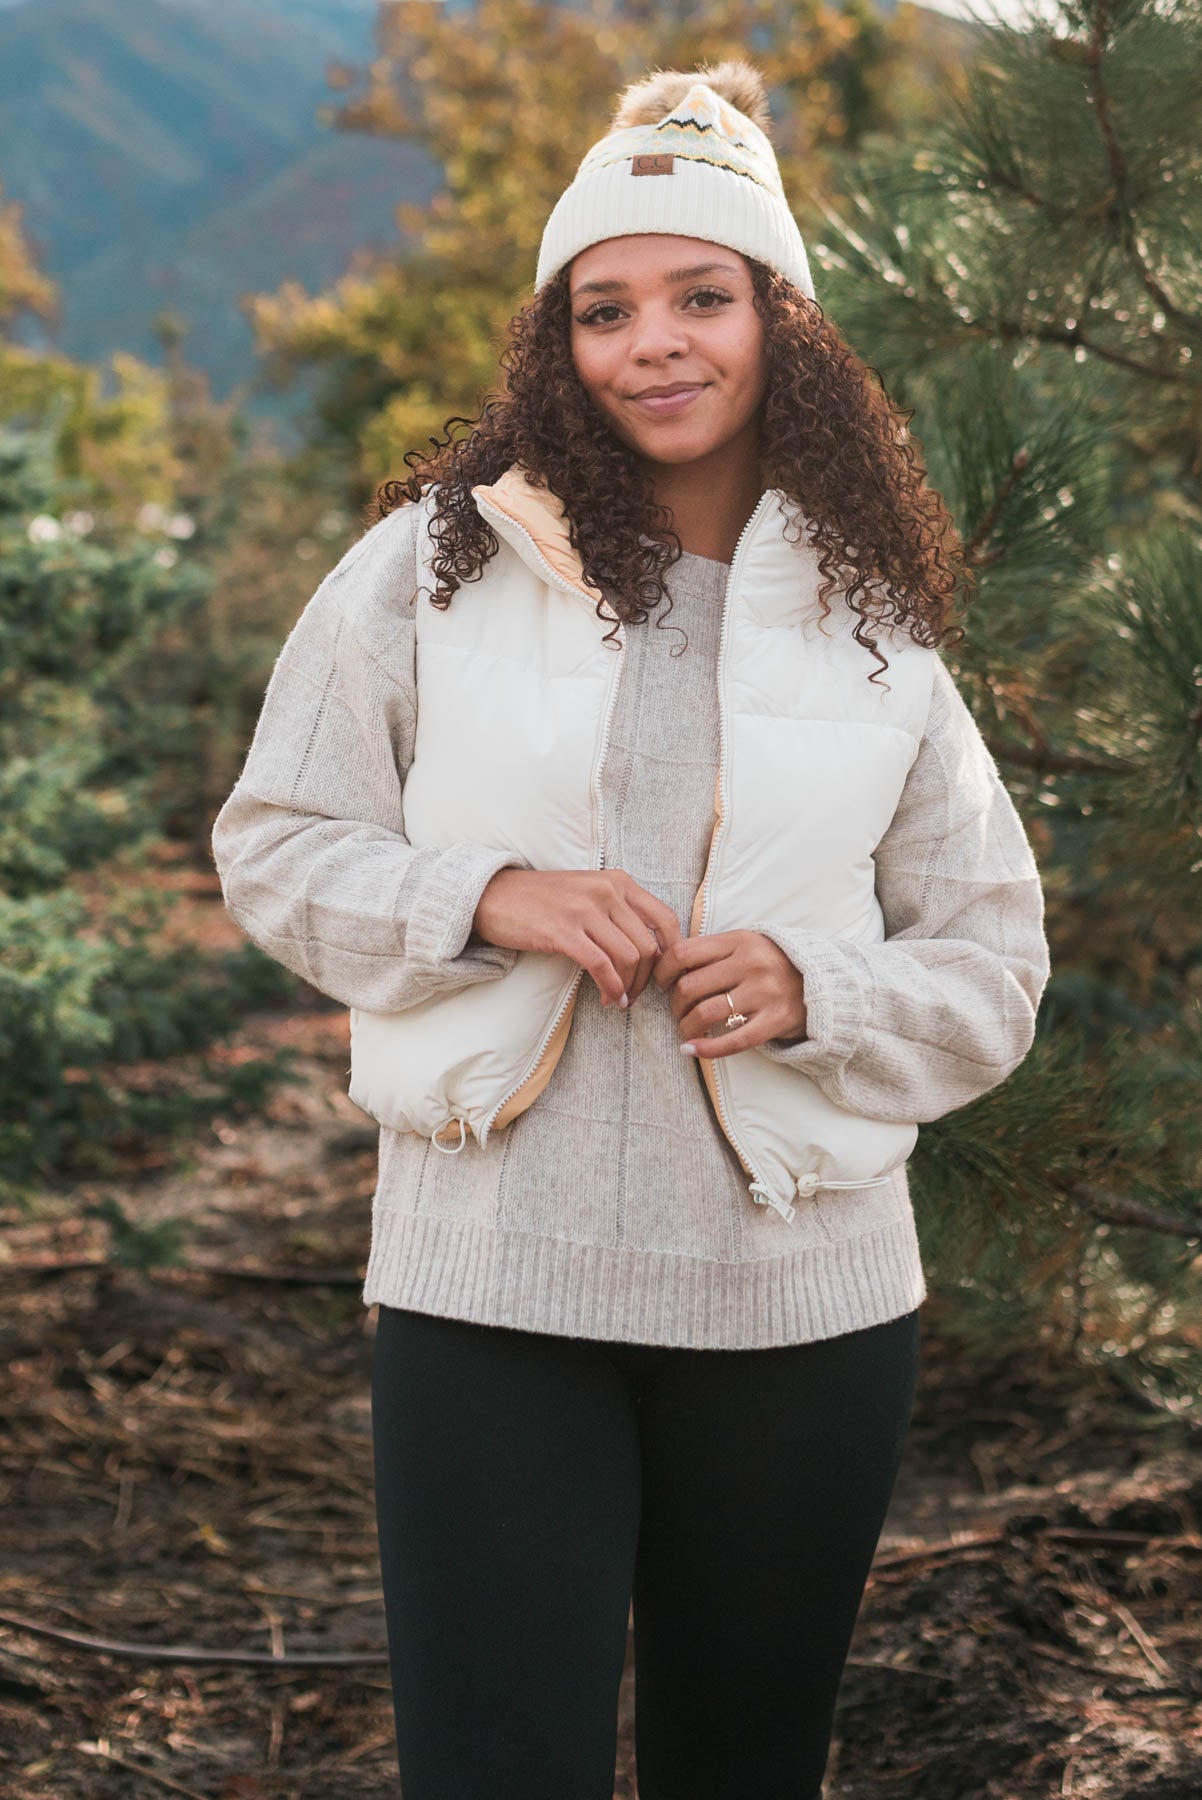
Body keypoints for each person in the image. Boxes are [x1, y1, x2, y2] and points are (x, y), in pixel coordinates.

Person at [211, 57, 1051, 1800]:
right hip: (492, 1285)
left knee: (741, 1773)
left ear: (780, 322)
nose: (654, 342)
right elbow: (277, 844)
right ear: (555, 343)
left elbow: (989, 970)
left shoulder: (876, 621)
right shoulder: (432, 567)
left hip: (802, 1301)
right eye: (605, 308)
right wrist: (484, 897)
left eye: (700, 297)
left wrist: (821, 985)